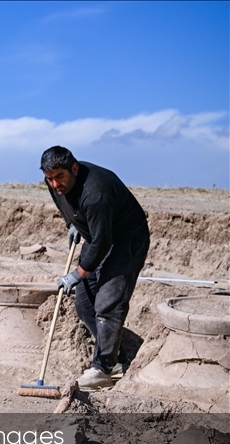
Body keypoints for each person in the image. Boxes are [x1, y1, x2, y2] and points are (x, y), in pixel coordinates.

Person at [41, 146, 150, 390]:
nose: (55, 184)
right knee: (85, 303)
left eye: (60, 177)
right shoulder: (54, 182)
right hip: (97, 235)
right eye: (50, 178)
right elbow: (64, 203)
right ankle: (118, 359)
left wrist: (78, 273)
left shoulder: (95, 193)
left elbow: (103, 242)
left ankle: (103, 369)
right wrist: (73, 223)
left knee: (108, 302)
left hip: (125, 239)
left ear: (75, 169)